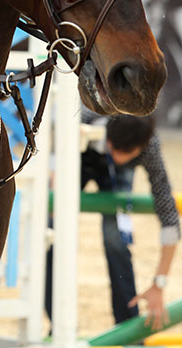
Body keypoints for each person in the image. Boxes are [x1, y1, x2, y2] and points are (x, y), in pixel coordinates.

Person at [46, 110, 180, 330]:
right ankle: (58, 325)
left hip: (118, 173)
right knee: (51, 232)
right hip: (78, 155)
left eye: (124, 150)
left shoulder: (150, 146)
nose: (115, 153)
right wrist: (55, 180)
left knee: (115, 239)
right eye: (113, 146)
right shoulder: (85, 118)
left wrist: (159, 283)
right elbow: (53, 141)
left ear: (140, 147)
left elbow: (169, 217)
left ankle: (128, 331)